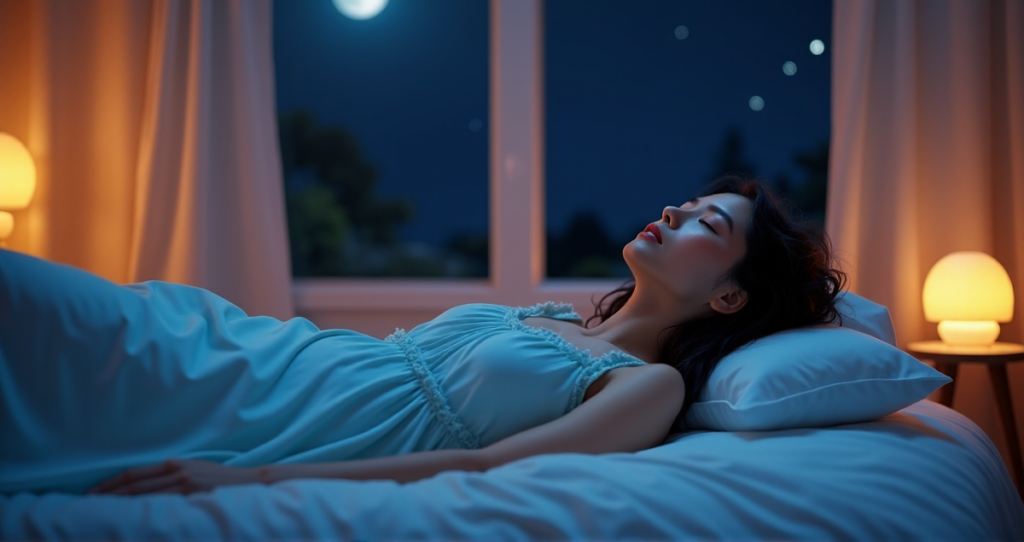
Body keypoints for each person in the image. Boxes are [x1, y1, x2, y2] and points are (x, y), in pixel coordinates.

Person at [0, 175, 845, 497]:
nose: (672, 209)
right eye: (687, 200)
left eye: (707, 223)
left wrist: (249, 475)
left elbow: (483, 467)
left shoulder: (646, 385)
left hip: (269, 419)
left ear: (732, 298)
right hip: (252, 353)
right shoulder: (556, 321)